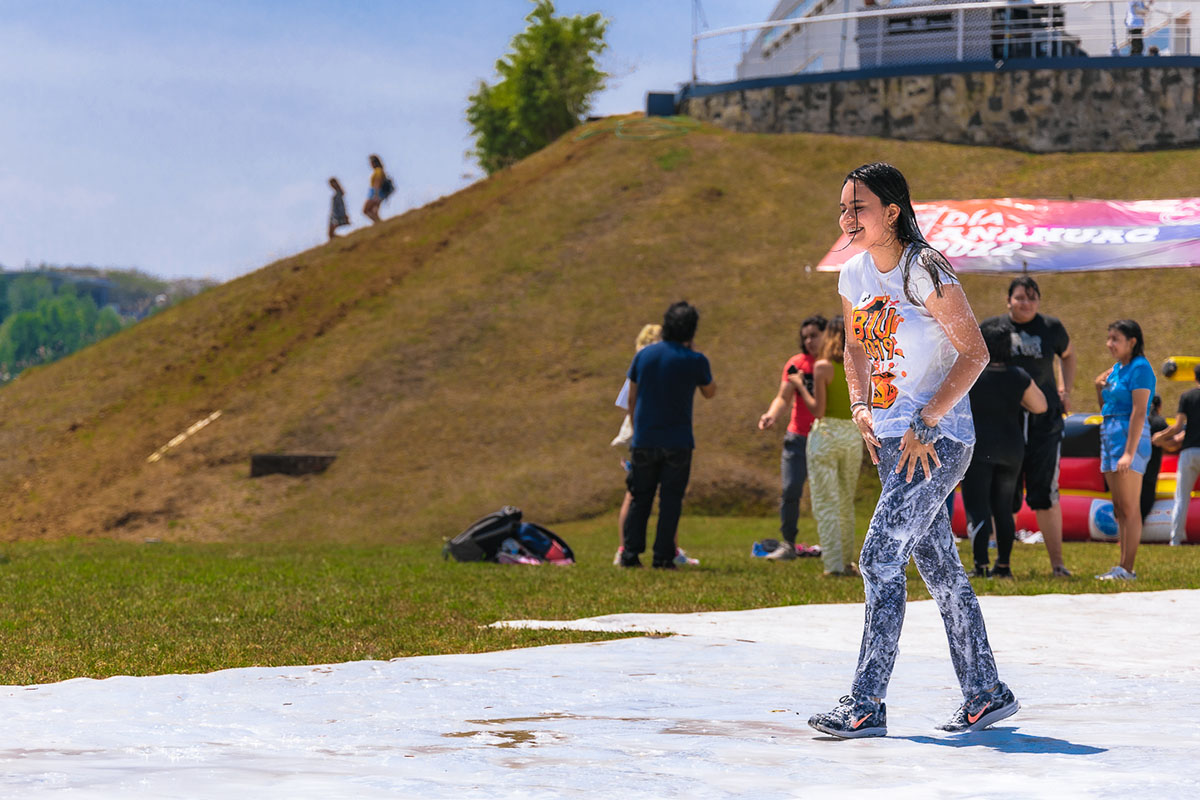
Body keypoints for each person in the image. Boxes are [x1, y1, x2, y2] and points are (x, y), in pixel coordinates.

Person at [809, 162, 1016, 739]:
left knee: (878, 557)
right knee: (940, 567)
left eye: (860, 208)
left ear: (892, 212)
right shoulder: (852, 275)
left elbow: (974, 353)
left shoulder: (922, 268)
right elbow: (854, 346)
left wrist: (927, 419)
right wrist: (858, 407)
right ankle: (987, 692)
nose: (847, 218)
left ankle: (866, 703)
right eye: (844, 207)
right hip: (895, 439)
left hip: (937, 440)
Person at [984, 276, 1075, 577]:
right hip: (1003, 419)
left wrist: (1066, 390)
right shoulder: (993, 329)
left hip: (1044, 420)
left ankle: (1058, 564)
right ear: (1008, 299)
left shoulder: (1051, 327)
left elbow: (1068, 354)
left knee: (1045, 491)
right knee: (1000, 489)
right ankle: (998, 562)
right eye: (1020, 297)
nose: (1026, 303)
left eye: (1032, 298)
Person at [621, 302, 717, 569]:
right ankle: (663, 556)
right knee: (670, 500)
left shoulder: (644, 356)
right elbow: (710, 391)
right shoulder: (696, 360)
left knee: (641, 497)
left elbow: (632, 397)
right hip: (678, 441)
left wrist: (635, 427)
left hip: (645, 438)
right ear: (692, 330)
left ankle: (630, 554)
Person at [961, 317, 1047, 579]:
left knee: (978, 509)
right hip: (1011, 450)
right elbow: (1041, 405)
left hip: (979, 450)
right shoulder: (1018, 376)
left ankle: (980, 565)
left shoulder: (972, 374)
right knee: (1004, 509)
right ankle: (1004, 566)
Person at [612, 324, 696, 566]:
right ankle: (636, 549)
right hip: (650, 438)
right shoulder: (650, 366)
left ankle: (635, 550)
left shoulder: (645, 366)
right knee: (655, 495)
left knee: (644, 494)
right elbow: (629, 404)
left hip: (644, 438)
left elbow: (627, 404)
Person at [786, 314, 863, 575]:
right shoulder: (862, 365)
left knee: (825, 502)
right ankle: (847, 561)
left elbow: (817, 410)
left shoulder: (822, 367)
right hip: (853, 436)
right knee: (845, 502)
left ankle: (832, 565)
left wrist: (799, 384)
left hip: (826, 436)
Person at [758, 315, 828, 549]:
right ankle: (788, 541)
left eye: (814, 336)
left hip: (825, 437)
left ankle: (830, 544)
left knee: (828, 495)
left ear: (826, 335)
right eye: (805, 337)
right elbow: (782, 397)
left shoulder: (832, 363)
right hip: (797, 438)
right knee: (790, 489)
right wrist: (771, 415)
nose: (809, 341)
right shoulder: (796, 364)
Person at [1094, 319, 1155, 580]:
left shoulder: (1141, 368)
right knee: (1118, 507)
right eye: (1109, 338)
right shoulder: (1118, 369)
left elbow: (1139, 412)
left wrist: (1129, 453)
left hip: (1129, 438)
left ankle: (1128, 568)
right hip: (1110, 435)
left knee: (1130, 507)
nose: (1110, 344)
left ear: (1132, 341)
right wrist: (1099, 386)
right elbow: (1105, 406)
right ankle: (1121, 565)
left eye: (1115, 339)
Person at [1153, 364, 1200, 546]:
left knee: (1181, 497)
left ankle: (1175, 539)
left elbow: (1178, 426)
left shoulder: (1187, 397)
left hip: (1188, 452)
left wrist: (1160, 436)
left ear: (1194, 377)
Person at [1140, 395, 1169, 523]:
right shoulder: (1159, 422)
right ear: (1159, 407)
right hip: (1150, 470)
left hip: (1132, 468)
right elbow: (1171, 445)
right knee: (1145, 500)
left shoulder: (1135, 419)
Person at [364, 154, 386, 224]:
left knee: (365, 210)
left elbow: (378, 182)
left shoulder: (378, 171)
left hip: (375, 192)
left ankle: (379, 223)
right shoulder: (379, 170)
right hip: (378, 193)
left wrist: (376, 195)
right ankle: (379, 224)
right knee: (374, 211)